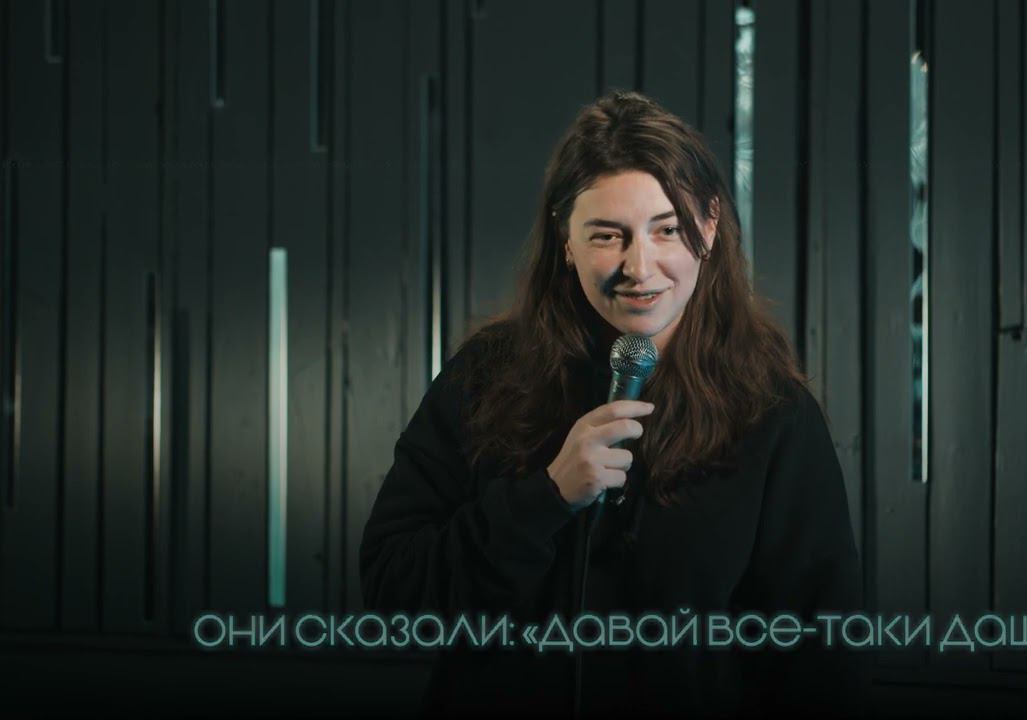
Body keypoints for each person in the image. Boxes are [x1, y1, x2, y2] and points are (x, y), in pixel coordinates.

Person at [359, 90, 867, 718]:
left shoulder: (773, 412)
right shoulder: (486, 376)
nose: (639, 267)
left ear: (709, 227)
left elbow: (821, 658)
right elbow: (393, 591)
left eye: (667, 230)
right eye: (607, 235)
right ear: (565, 239)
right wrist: (545, 498)